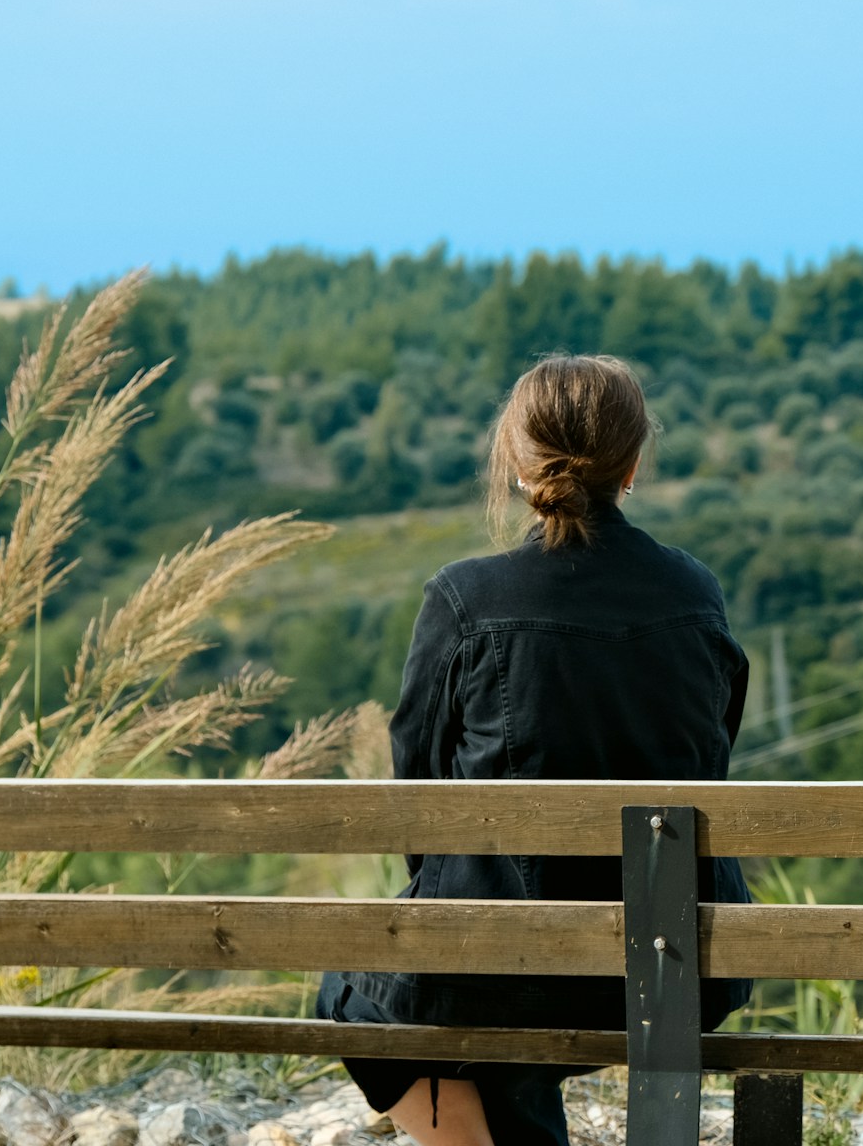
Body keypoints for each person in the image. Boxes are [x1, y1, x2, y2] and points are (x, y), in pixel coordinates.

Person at [314, 354, 753, 1146]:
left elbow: (417, 799)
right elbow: (709, 766)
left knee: (364, 982)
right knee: (496, 959)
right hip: (679, 967)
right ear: (633, 464)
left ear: (515, 461)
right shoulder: (696, 592)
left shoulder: (463, 597)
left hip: (505, 960)